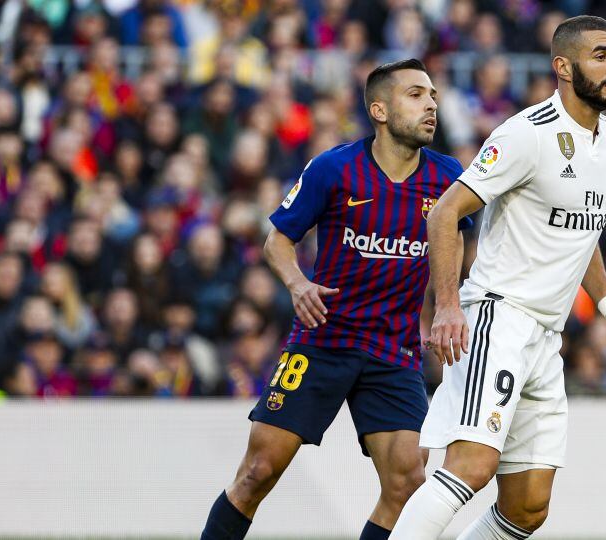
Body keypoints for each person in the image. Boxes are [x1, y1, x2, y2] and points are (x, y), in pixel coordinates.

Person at [392, 16, 606, 538]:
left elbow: (583, 232)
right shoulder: (526, 135)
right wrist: (447, 306)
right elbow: (443, 213)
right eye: (600, 55)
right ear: (563, 66)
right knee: (470, 467)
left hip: (546, 338)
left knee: (528, 507)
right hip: (499, 318)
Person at [200, 59, 472, 540]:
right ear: (380, 110)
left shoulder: (447, 177)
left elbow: (461, 239)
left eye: (432, 95)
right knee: (258, 471)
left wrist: (449, 303)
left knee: (408, 482)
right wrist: (297, 283)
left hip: (394, 350)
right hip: (323, 339)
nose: (431, 104)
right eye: (416, 94)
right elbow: (276, 241)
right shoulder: (334, 167)